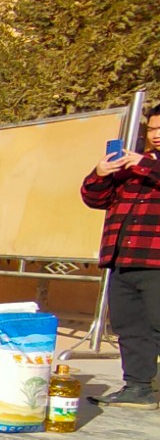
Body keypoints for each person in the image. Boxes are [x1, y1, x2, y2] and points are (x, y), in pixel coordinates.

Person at [81, 104, 160, 409]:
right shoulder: (132, 168)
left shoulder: (142, 164)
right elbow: (95, 199)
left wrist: (144, 164)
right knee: (130, 327)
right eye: (152, 129)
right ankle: (138, 388)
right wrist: (100, 174)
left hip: (156, 260)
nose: (156, 134)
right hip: (123, 259)